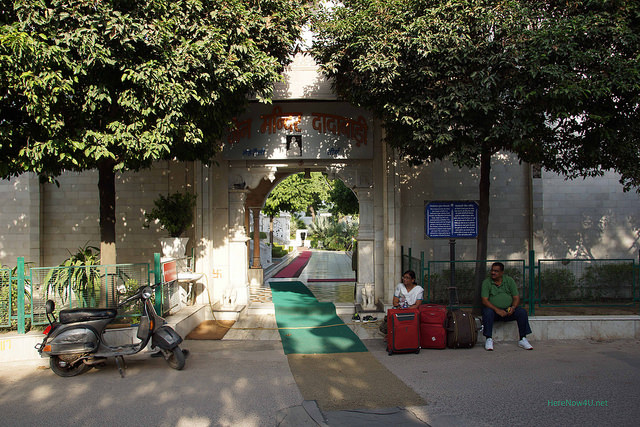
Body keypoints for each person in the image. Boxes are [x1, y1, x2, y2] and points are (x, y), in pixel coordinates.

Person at [481, 262, 533, 351]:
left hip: (508, 310)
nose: (493, 273)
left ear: (502, 272)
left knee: (522, 312)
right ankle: (488, 339)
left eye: (496, 271)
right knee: (487, 312)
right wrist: (497, 310)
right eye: (492, 270)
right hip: (494, 311)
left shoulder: (509, 281)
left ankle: (523, 339)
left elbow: (516, 297)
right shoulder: (487, 282)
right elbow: (484, 300)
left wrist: (512, 308)